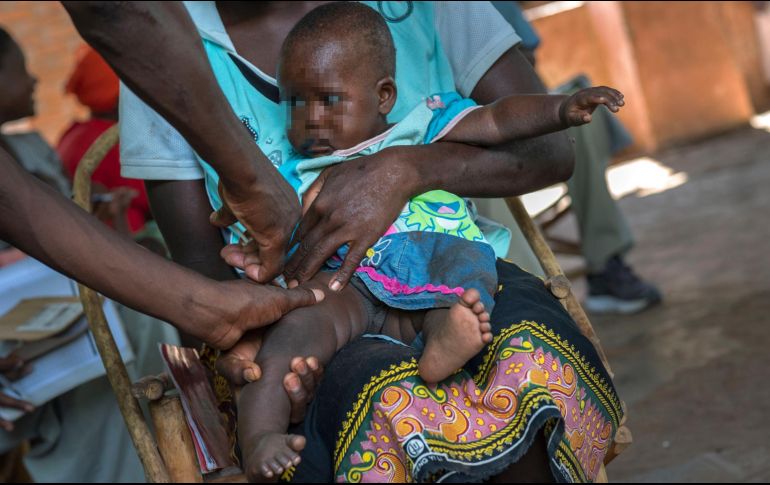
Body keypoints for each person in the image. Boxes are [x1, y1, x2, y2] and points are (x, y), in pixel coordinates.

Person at [115, 1, 623, 482]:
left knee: (515, 351)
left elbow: (516, 130)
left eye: (329, 101)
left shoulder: (423, 117)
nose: (310, 119)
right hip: (329, 289)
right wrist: (248, 293)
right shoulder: (163, 44)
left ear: (384, 96)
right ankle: (260, 440)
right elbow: (209, 260)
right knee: (322, 370)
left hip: (435, 263)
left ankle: (447, 331)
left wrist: (557, 109)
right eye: (294, 104)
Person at [0, 25, 324, 478]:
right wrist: (205, 304)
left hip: (87, 335)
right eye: (20, 69)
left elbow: (27, 206)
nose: (35, 80)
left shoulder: (29, 149)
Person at [490, 1, 663, 314]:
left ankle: (606, 265)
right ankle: (531, 306)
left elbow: (526, 61)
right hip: (466, 135)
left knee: (582, 115)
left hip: (515, 115)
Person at [57, 44, 151, 236]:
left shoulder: (72, 134)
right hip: (125, 241)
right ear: (120, 98)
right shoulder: (114, 141)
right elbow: (152, 199)